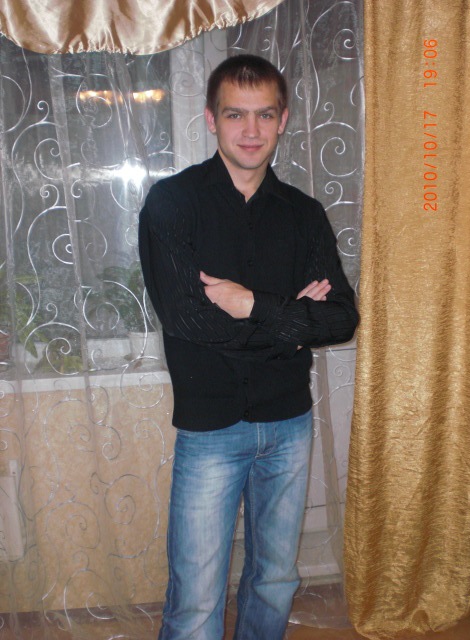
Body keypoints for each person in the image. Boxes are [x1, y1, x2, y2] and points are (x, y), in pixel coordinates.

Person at [138, 54, 358, 640]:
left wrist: (252, 304)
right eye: (236, 114)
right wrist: (293, 322)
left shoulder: (305, 214)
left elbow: (342, 319)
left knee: (275, 581)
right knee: (195, 598)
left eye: (265, 115)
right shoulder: (172, 203)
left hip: (288, 424)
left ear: (283, 120)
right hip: (210, 428)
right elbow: (189, 320)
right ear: (212, 119)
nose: (252, 130)